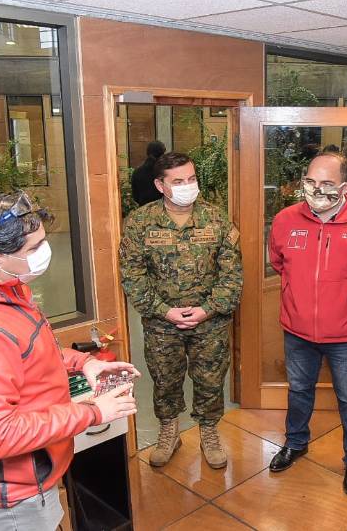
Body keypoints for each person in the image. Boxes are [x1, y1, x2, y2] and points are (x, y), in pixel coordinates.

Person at [0, 190, 139, 529]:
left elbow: (28, 350)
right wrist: (93, 412)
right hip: (11, 496)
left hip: (34, 472)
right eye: (33, 248)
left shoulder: (1, 287)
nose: (44, 253)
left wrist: (85, 364)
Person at [267, 152, 347, 495]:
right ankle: (295, 443)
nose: (316, 190)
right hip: (297, 331)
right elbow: (280, 262)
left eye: (326, 184)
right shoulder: (284, 220)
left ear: (344, 186)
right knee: (299, 391)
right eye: (310, 182)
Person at [119, 152, 243, 469]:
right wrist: (163, 311)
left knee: (211, 381)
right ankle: (169, 432)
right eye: (178, 181)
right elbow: (132, 276)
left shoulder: (217, 220)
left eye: (191, 179)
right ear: (160, 185)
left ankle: (209, 433)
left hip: (210, 324)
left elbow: (232, 276)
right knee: (165, 381)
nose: (188, 186)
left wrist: (207, 309)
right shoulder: (139, 223)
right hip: (162, 326)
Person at [130, 140, 166, 206]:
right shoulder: (164, 171)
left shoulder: (137, 171)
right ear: (163, 153)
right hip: (162, 209)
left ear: (147, 152)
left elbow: (136, 197)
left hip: (144, 210)